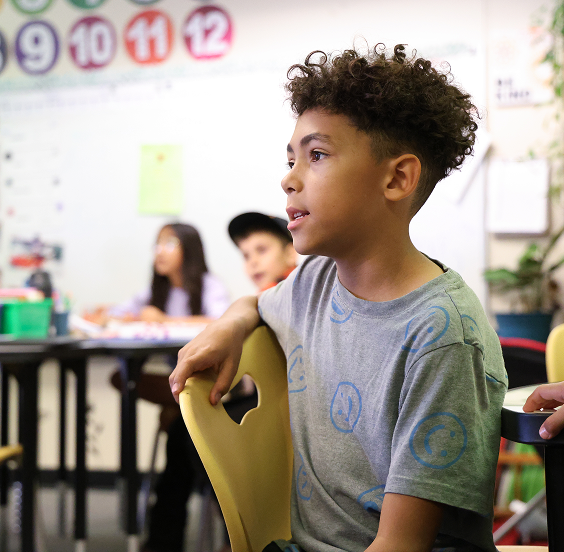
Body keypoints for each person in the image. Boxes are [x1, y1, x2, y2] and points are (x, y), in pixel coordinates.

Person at [169, 44, 507, 552]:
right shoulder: (314, 283)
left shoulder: (442, 335)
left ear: (396, 178)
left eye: (317, 155)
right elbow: (255, 304)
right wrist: (230, 323)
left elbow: (400, 546)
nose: (288, 177)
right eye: (290, 159)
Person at [143, 213, 298, 552]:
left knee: (189, 430)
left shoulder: (294, 295)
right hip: (261, 404)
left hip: (285, 415)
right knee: (183, 432)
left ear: (290, 253)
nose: (253, 261)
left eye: (261, 250)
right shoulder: (261, 301)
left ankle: (232, 530)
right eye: (246, 254)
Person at [85, 222, 230, 325]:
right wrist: (106, 313)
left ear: (190, 248)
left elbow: (220, 321)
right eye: (158, 243)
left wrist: (165, 320)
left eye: (170, 243)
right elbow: (127, 309)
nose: (159, 251)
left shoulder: (211, 284)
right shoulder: (160, 287)